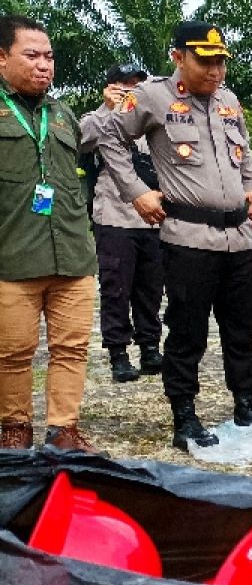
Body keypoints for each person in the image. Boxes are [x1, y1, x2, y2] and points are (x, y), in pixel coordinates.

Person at [97, 21, 252, 452]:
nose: (215, 71)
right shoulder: (153, 95)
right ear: (178, 58)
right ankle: (185, 416)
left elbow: (246, 154)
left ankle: (246, 404)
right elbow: (109, 137)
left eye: (221, 61)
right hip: (188, 238)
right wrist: (136, 192)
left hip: (240, 238)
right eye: (205, 61)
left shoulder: (229, 100)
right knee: (188, 331)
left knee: (242, 328)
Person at [0, 15, 100, 452]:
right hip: (13, 258)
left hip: (73, 257)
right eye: (32, 55)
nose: (45, 65)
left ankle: (64, 431)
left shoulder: (62, 115)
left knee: (72, 349)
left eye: (49, 56)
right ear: (1, 58)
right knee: (12, 356)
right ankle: (14, 431)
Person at [79, 62, 164, 384]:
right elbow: (79, 140)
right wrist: (108, 107)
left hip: (153, 218)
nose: (131, 91)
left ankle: (150, 348)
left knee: (151, 290)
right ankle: (118, 353)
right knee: (116, 289)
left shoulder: (152, 120)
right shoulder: (98, 118)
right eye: (124, 84)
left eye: (137, 85)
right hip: (114, 217)